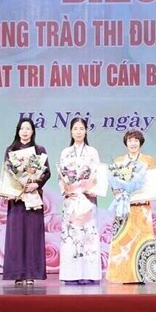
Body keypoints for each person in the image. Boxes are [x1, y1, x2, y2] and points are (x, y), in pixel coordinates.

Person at [106, 129, 156, 283]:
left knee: (142, 240)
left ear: (140, 142)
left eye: (136, 140)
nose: (133, 143)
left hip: (142, 207)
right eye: (130, 140)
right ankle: (123, 275)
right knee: (124, 240)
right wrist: (116, 190)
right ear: (126, 143)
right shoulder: (119, 161)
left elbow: (153, 182)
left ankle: (144, 274)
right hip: (124, 206)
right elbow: (113, 183)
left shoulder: (148, 160)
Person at [2, 117, 50, 286]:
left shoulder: (39, 150)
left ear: (33, 131)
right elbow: (7, 174)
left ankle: (31, 273)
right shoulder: (11, 150)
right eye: (22, 128)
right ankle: (17, 273)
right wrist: (11, 190)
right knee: (17, 236)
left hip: (33, 198)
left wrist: (36, 184)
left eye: (28, 128)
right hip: (16, 200)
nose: (25, 131)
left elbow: (47, 172)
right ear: (18, 131)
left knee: (32, 236)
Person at [57, 117, 101, 285]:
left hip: (87, 199)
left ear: (86, 131)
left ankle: (89, 274)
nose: (78, 132)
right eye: (75, 128)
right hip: (72, 200)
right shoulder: (65, 152)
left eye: (81, 128)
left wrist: (92, 190)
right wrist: (67, 190)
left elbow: (98, 175)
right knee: (71, 236)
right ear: (71, 131)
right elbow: (61, 177)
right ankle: (71, 274)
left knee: (88, 235)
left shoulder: (92, 152)